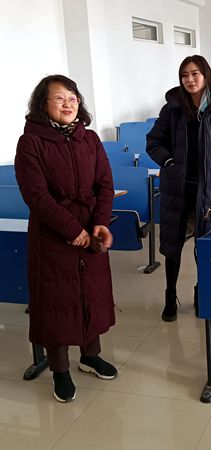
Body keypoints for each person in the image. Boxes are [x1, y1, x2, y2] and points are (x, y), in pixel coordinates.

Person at [14, 75, 117, 403]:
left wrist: (100, 223)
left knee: (91, 293)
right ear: (43, 105)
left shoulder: (90, 138)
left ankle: (90, 356)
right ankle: (60, 369)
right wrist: (72, 230)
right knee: (56, 302)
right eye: (59, 98)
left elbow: (105, 184)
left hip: (91, 229)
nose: (68, 104)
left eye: (72, 98)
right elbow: (36, 196)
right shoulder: (30, 142)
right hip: (53, 235)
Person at [147, 55, 211, 322]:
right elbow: (153, 141)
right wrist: (168, 161)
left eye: (195, 74)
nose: (189, 80)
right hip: (176, 189)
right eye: (184, 75)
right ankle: (170, 296)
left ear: (205, 76)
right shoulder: (172, 109)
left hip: (209, 190)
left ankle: (202, 294)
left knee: (204, 246)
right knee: (173, 246)